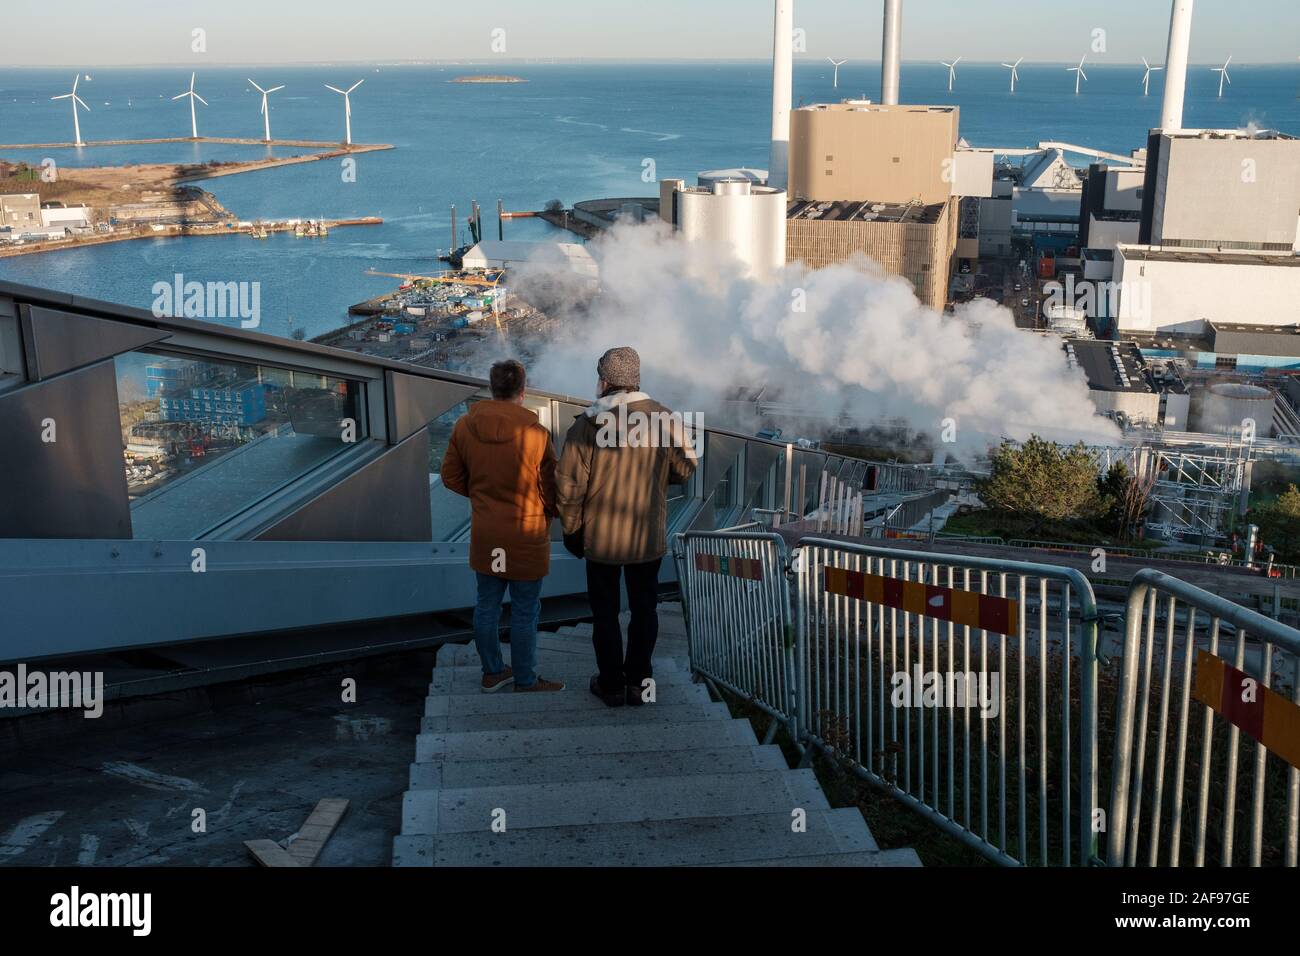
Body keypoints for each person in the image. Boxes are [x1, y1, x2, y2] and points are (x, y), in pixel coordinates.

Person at [556, 347, 698, 707]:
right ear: (636, 380)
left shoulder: (586, 424)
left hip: (600, 538)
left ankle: (611, 685)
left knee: (604, 613)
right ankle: (640, 683)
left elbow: (569, 486)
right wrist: (654, 474)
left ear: (604, 382)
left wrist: (572, 531)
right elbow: (686, 468)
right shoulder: (665, 419)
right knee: (644, 609)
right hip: (645, 535)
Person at [441, 359, 565, 693]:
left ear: (493, 389)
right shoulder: (537, 435)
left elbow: (450, 476)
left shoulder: (465, 428)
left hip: (488, 535)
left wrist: (482, 495)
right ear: (522, 392)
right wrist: (550, 512)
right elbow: (550, 489)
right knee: (525, 610)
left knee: (486, 605)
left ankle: (492, 671)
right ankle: (525, 678)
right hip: (526, 535)